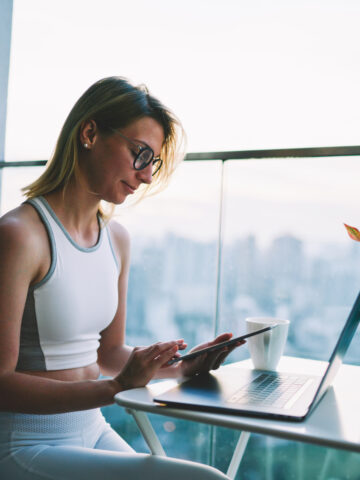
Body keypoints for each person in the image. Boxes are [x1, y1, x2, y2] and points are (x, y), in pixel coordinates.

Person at [0, 76, 243, 479]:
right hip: (25, 443)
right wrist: (114, 389)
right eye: (140, 154)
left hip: (93, 427)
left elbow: (109, 355)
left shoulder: (116, 239)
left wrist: (182, 367)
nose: (146, 175)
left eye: (154, 162)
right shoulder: (20, 236)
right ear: (90, 132)